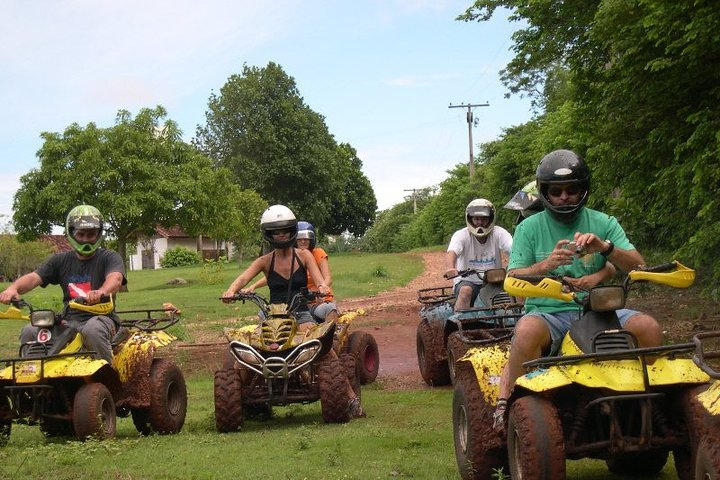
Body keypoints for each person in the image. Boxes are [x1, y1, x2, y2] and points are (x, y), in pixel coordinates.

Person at [493, 149, 660, 432]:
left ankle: (650, 407)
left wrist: (605, 248)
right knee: (525, 331)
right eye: (556, 191)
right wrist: (545, 265)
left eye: (572, 189)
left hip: (599, 310)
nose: (564, 197)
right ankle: (516, 411)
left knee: (648, 327)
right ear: (545, 192)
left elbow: (639, 266)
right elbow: (513, 277)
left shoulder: (604, 222)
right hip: (548, 314)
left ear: (583, 189)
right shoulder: (528, 228)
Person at [222, 205, 364, 417]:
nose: (281, 236)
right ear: (269, 235)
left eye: (285, 231)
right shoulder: (264, 261)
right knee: (247, 353)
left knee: (324, 349)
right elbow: (244, 278)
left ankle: (351, 399)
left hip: (301, 313)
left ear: (292, 231)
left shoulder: (304, 256)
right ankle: (239, 399)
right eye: (276, 232)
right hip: (270, 315)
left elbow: (318, 279)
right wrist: (231, 290)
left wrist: (323, 288)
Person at [0, 205, 127, 364]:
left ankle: (109, 377)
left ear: (99, 234)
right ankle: (32, 377)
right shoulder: (60, 260)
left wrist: (101, 291)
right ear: (71, 233)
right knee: (30, 331)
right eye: (81, 234)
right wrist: (13, 288)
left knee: (92, 330)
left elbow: (115, 278)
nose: (86, 240)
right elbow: (34, 277)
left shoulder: (109, 257)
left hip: (102, 318)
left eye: (91, 234)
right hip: (68, 320)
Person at [248, 221, 338, 323]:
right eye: (299, 239)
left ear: (312, 240)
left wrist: (322, 290)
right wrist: (253, 286)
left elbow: (327, 278)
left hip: (316, 301)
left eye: (306, 239)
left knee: (330, 309)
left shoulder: (317, 253)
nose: (303, 242)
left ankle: (333, 336)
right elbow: (275, 276)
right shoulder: (290, 257)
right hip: (294, 304)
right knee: (263, 313)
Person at [444, 199, 513, 311]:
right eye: (476, 219)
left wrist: (519, 263)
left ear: (491, 219)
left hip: (493, 282)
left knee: (511, 294)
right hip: (467, 281)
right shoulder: (461, 235)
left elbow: (513, 249)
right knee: (466, 291)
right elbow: (451, 252)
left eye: (484, 219)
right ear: (470, 219)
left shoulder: (499, 233)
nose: (480, 223)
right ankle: (459, 323)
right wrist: (450, 268)